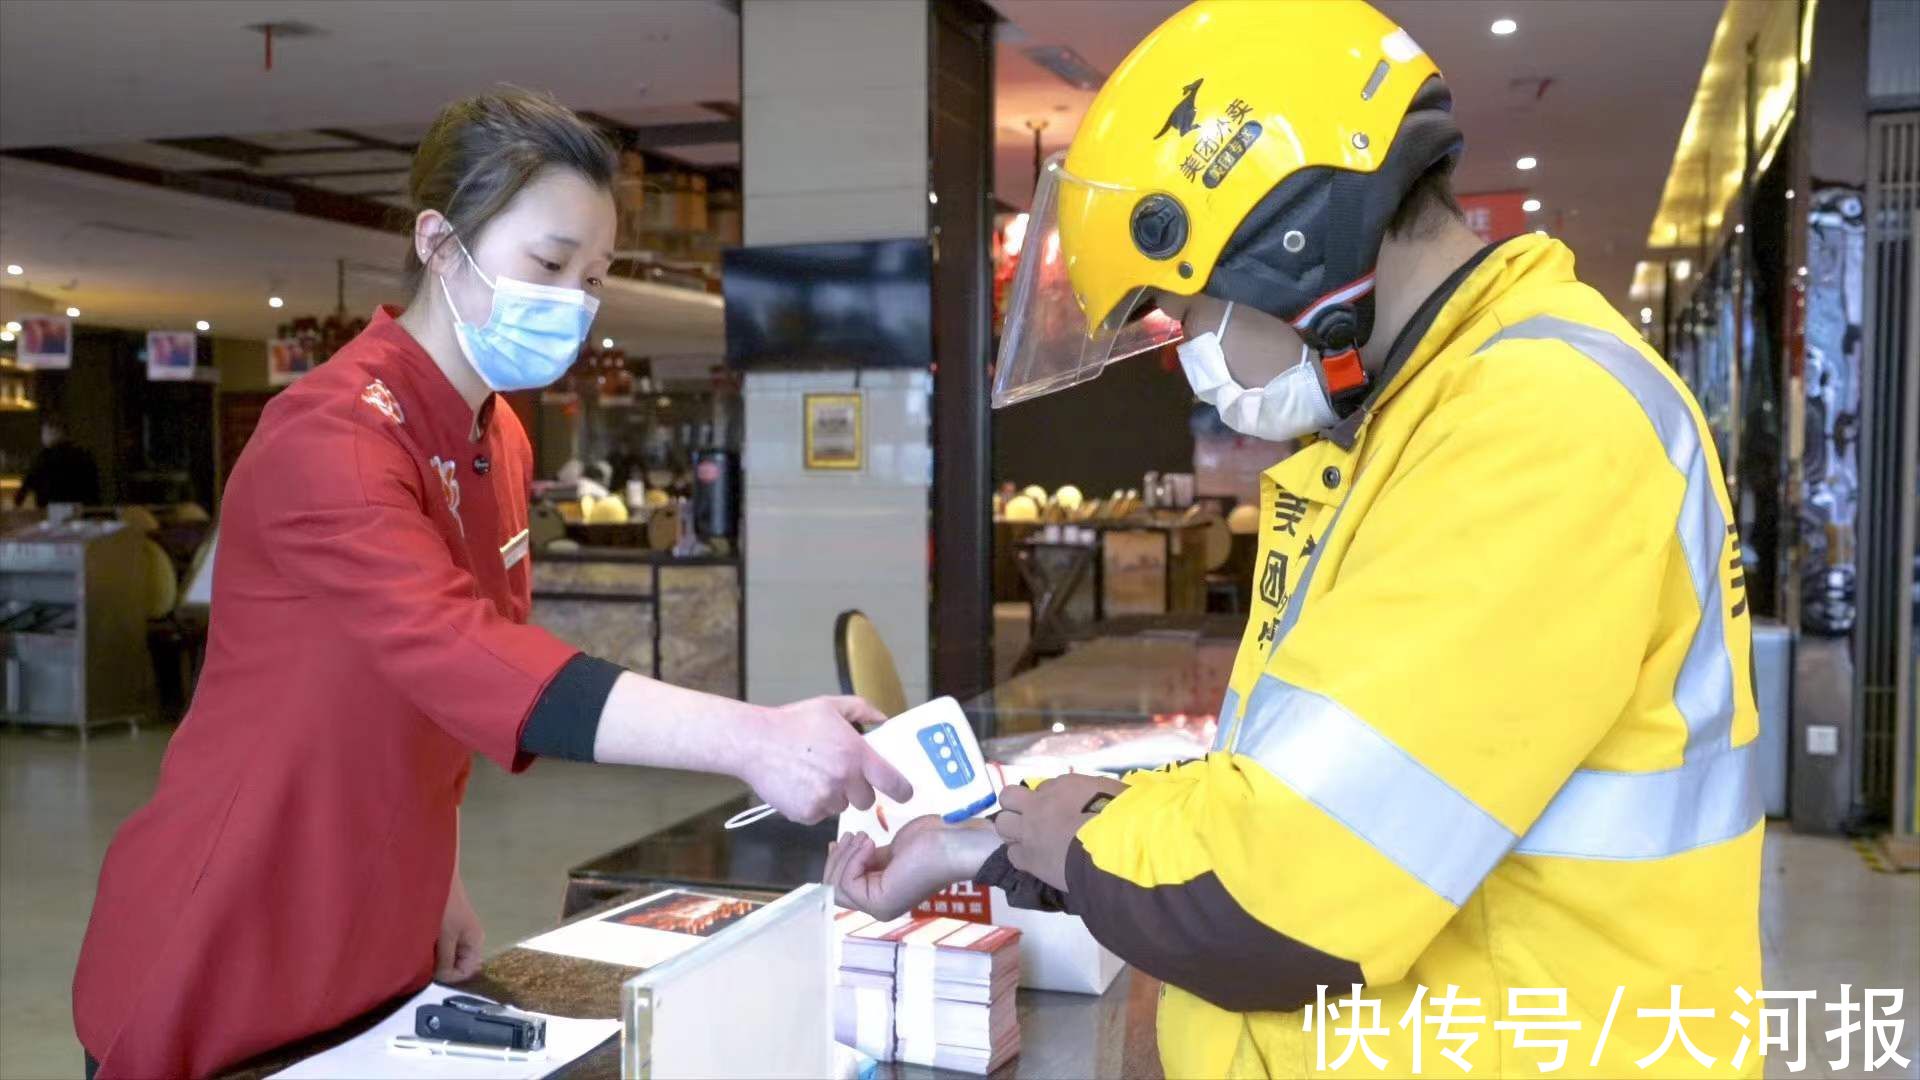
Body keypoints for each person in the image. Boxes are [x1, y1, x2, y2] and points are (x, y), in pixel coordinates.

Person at [826, 3, 1762, 1077]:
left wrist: (1064, 837)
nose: (1190, 356)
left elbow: (1275, 896)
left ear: (1289, 240)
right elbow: (1300, 791)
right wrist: (975, 844)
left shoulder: (1535, 425)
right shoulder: (1418, 423)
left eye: (1185, 310)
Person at [73, 88, 910, 1080]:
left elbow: (440, 701)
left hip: (378, 919)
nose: (572, 300)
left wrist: (437, 875)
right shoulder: (331, 432)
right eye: (549, 264)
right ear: (438, 241)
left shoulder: (497, 435)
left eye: (593, 276)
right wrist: (756, 739)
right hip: (233, 926)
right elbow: (472, 658)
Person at [14, 418, 101, 507]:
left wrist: (17, 503)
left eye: (44, 433)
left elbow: (26, 485)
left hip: (49, 512)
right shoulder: (84, 455)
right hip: (80, 512)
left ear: (53, 432)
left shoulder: (43, 458)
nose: (43, 437)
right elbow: (94, 489)